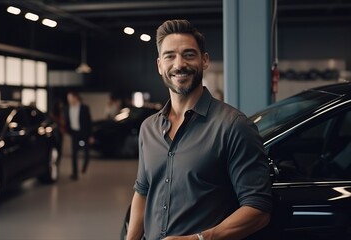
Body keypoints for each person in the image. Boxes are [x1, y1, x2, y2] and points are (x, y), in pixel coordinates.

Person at [126, 19, 272, 240]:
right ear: (159, 65)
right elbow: (143, 192)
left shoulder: (233, 126)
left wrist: (200, 239)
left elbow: (258, 210)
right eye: (170, 56)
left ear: (204, 60)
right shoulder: (149, 128)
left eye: (188, 54)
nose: (179, 64)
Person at [64, 91, 94, 180]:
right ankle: (75, 173)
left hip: (84, 132)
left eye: (70, 98)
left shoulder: (84, 108)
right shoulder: (67, 108)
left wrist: (91, 135)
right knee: (74, 153)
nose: (69, 100)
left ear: (75, 98)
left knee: (86, 152)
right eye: (68, 99)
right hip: (74, 133)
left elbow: (89, 122)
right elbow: (67, 121)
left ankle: (84, 166)